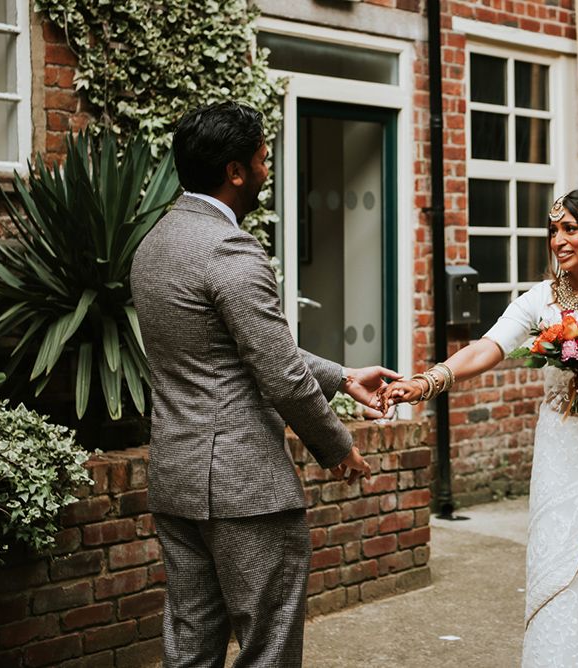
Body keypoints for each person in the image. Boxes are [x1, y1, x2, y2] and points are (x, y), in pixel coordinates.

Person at [383, 188, 578, 667]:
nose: (558, 240)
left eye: (570, 229)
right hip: (561, 455)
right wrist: (428, 382)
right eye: (554, 230)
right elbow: (488, 346)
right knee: (557, 565)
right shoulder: (541, 300)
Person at [130, 101, 400, 667]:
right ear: (235, 171)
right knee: (268, 644)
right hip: (244, 490)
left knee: (191, 643)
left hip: (176, 479)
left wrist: (344, 376)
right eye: (262, 159)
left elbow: (235, 349)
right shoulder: (230, 248)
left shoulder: (154, 243)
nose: (267, 170)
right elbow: (277, 372)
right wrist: (339, 447)